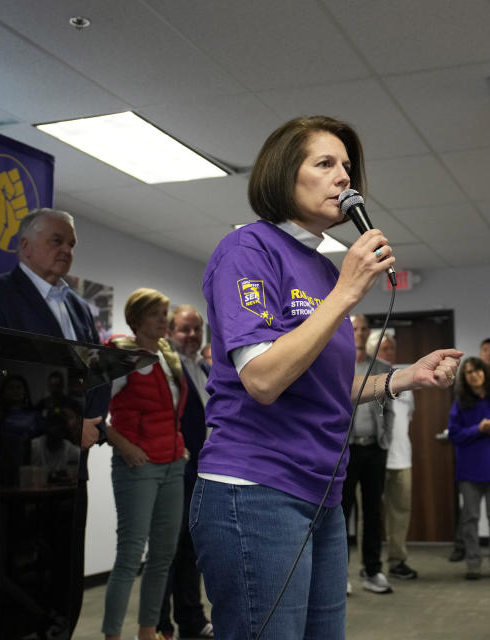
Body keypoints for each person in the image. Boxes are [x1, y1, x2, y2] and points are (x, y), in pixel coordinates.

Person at [189, 115, 461, 640]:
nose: (345, 179)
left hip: (322, 495)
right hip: (256, 489)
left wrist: (404, 378)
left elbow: (323, 389)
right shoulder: (249, 249)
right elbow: (265, 380)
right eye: (326, 164)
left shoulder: (322, 269)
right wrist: (345, 295)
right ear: (284, 173)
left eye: (348, 168)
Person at [0, 207, 108, 632]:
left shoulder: (81, 308)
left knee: (65, 575)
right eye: (56, 241)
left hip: (72, 466)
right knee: (21, 575)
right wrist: (69, 421)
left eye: (71, 244)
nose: (66, 250)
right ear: (24, 246)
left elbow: (98, 370)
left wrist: (94, 418)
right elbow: (3, 373)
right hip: (18, 464)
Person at [102, 288, 188, 640]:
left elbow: (173, 412)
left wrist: (179, 449)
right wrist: (123, 446)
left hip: (172, 464)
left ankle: (147, 632)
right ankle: (111, 636)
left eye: (164, 313)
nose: (163, 320)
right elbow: (92, 413)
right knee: (130, 555)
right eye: (155, 314)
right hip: (138, 467)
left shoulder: (168, 357)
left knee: (163, 556)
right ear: (136, 320)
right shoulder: (121, 356)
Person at [157, 305, 213, 639]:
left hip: (201, 474)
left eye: (196, 330)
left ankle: (191, 620)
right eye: (184, 330)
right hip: (174, 471)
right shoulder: (166, 367)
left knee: (191, 549)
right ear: (169, 332)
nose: (191, 336)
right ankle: (160, 626)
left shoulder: (205, 368)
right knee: (166, 551)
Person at [342, 314, 395, 594]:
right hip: (345, 450)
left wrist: (385, 438)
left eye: (363, 329)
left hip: (374, 448)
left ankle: (372, 571)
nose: (359, 333)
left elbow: (390, 410)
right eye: (354, 328)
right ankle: (340, 575)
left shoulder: (382, 368)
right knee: (341, 511)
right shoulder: (336, 365)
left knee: (373, 512)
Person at [448, 357, 490, 580]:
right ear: (464, 378)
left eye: (477, 371)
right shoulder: (460, 403)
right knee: (470, 520)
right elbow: (454, 435)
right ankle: (473, 565)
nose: (474, 375)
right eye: (469, 372)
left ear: (485, 373)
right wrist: (479, 428)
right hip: (469, 473)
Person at [373, 331, 418, 580]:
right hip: (373, 456)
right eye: (382, 348)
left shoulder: (404, 380)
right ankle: (372, 565)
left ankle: (397, 561)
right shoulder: (364, 377)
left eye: (390, 349)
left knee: (400, 510)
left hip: (401, 457)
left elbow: (408, 416)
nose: (386, 353)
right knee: (370, 513)